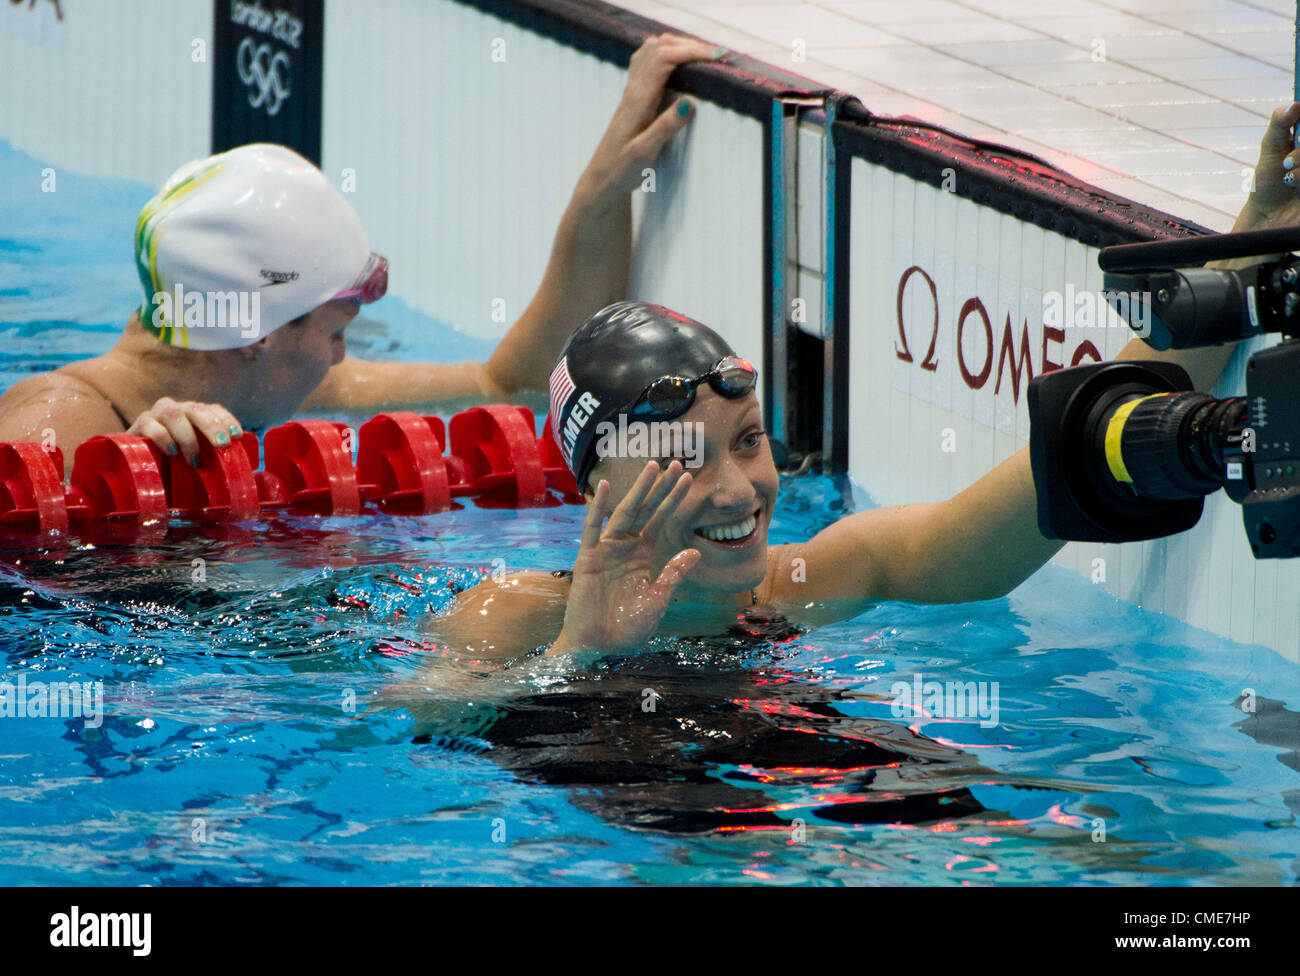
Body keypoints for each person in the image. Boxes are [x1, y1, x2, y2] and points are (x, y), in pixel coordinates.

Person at [411, 103, 1300, 663]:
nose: (739, 489)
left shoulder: (815, 576)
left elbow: (1076, 455)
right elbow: (411, 731)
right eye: (686, 460)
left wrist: (1241, 255)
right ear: (599, 487)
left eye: (750, 441)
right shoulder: (510, 616)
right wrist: (581, 651)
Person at [0, 34, 723, 472]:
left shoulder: (271, 380)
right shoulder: (62, 424)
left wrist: (602, 194)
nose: (341, 359)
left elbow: (517, 384)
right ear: (260, 333)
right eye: (336, 333)